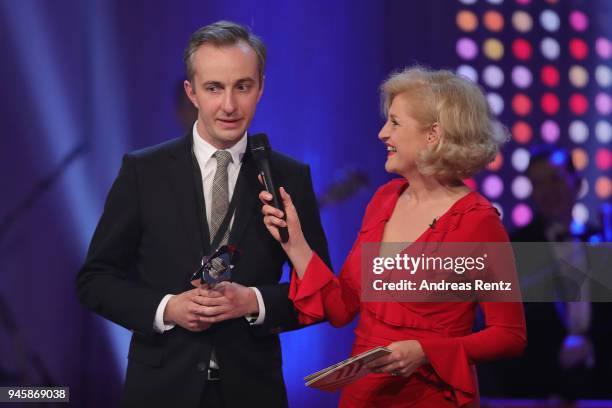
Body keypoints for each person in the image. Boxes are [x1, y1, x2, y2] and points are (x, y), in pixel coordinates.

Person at [76, 21, 330, 408]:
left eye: (242, 87)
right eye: (214, 88)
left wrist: (254, 302)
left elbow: (321, 290)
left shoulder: (289, 176)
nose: (229, 105)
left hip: (253, 391)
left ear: (261, 88)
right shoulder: (144, 171)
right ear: (191, 92)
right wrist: (167, 309)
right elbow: (95, 281)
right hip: (160, 391)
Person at [261, 67, 526, 407]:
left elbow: (509, 336)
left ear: (433, 134)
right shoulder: (385, 200)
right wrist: (294, 242)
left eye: (396, 123)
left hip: (429, 397)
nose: (383, 133)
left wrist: (427, 352)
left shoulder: (478, 223)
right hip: (364, 396)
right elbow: (342, 307)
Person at [494, 147, 612, 401]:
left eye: (555, 179)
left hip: (600, 386)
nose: (548, 191)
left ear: (577, 183)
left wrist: (591, 347)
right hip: (535, 389)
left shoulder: (600, 241)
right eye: (538, 183)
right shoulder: (513, 247)